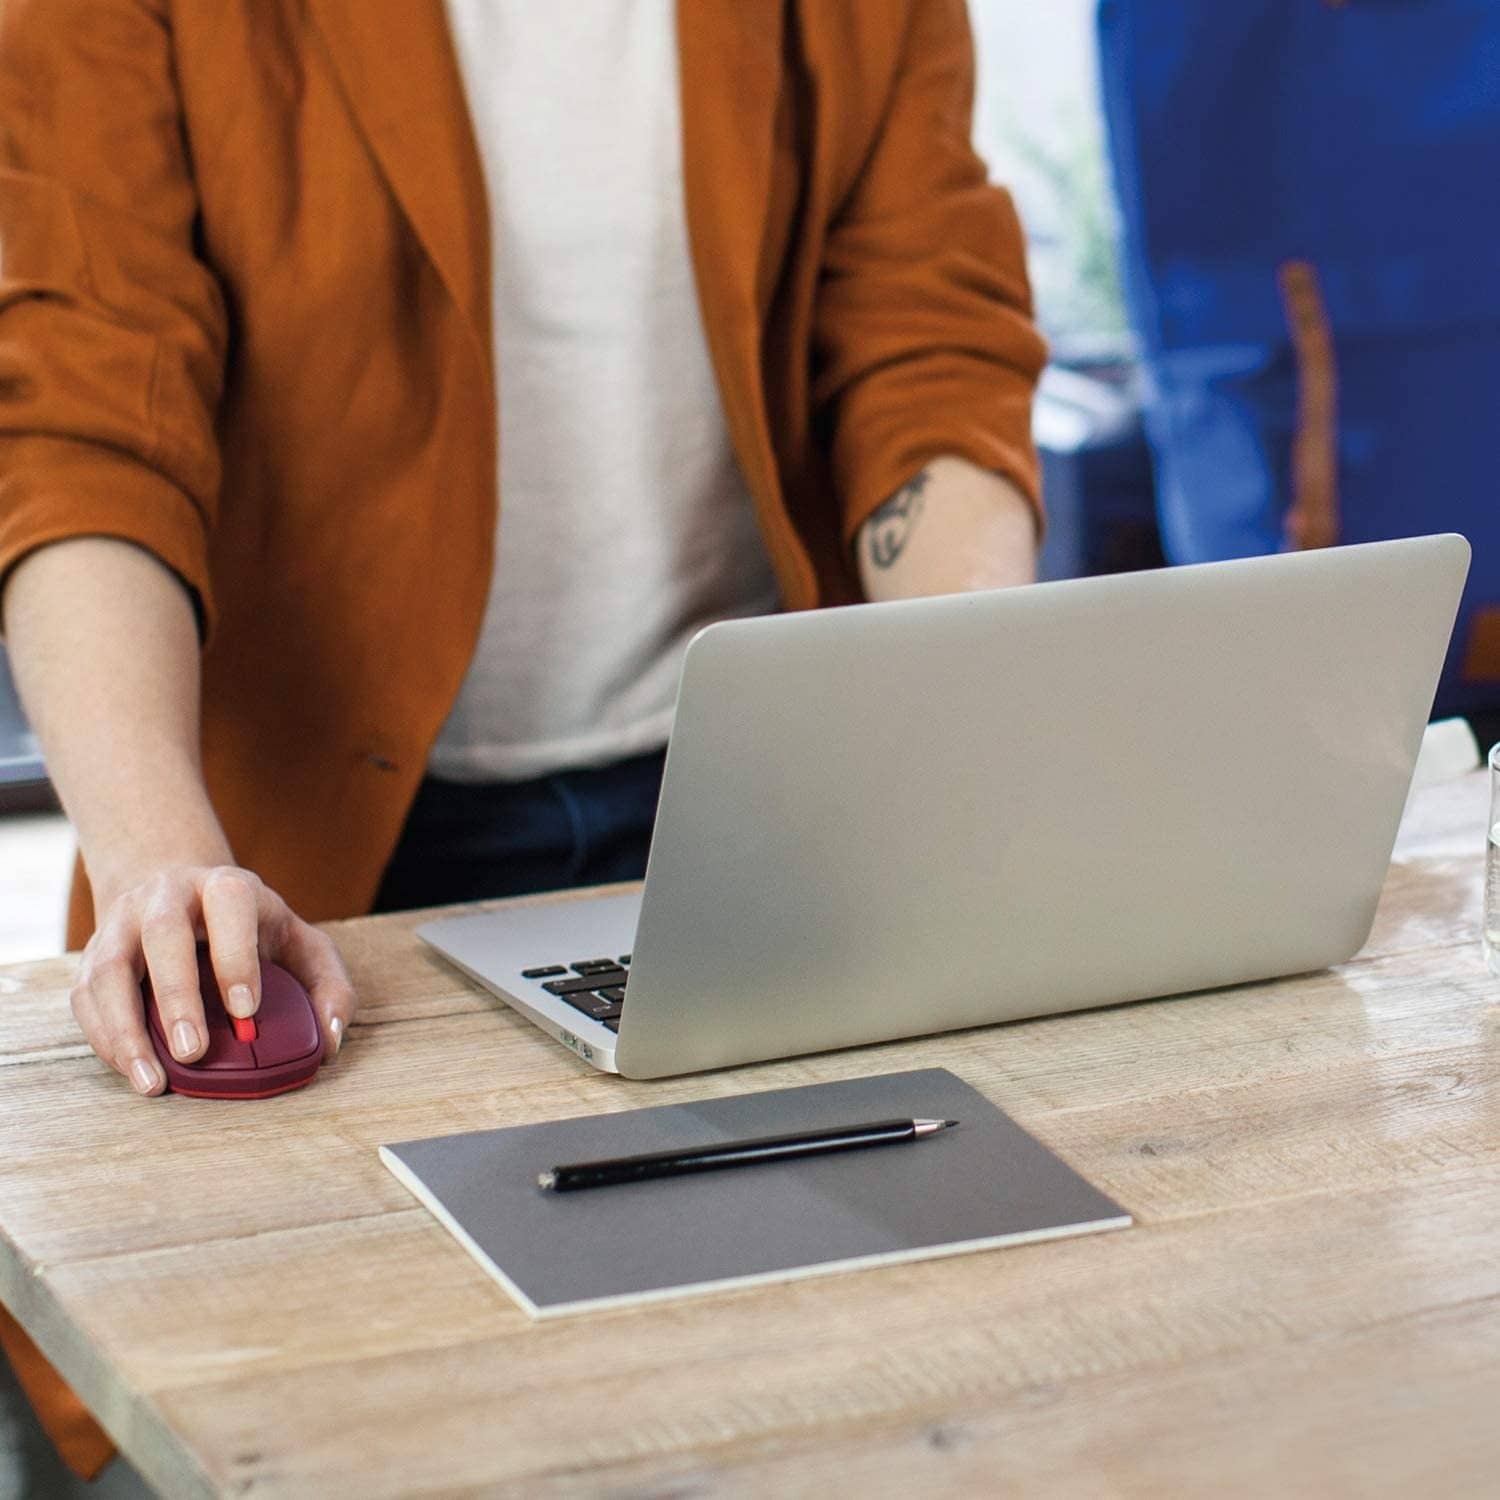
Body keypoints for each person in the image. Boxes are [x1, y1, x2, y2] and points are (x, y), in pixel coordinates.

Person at [0, 0, 1045, 1479]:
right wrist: (158, 855)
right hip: (306, 864)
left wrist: (965, 722)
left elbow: (927, 343)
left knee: (849, 1397)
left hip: (759, 818)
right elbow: (85, 418)